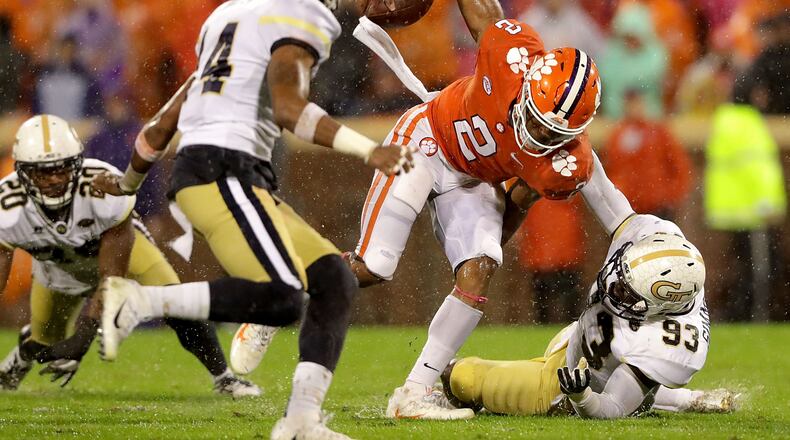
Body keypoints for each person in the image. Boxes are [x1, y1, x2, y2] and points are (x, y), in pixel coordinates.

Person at [91, 0, 411, 438]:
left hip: (220, 171)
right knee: (281, 298)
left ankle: (301, 420)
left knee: (334, 278)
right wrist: (367, 149)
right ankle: (142, 301)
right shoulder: (302, 14)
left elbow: (163, 125)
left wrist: (128, 185)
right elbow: (290, 109)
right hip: (225, 169)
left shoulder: (228, 16)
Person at [0, 115, 259, 397]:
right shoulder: (8, 208)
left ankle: (224, 378)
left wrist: (85, 336)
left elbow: (112, 278)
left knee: (179, 305)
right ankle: (23, 352)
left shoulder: (104, 187)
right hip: (59, 270)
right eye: (42, 172)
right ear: (23, 172)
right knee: (45, 343)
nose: (54, 180)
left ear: (76, 164)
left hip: (126, 258)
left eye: (62, 169)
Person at [443, 215, 740, 418]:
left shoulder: (662, 347)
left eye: (628, 292)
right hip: (578, 343)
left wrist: (581, 396)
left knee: (463, 377)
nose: (614, 287)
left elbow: (615, 404)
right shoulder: (675, 268)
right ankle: (688, 399)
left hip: (561, 387)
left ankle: (444, 384)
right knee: (629, 379)